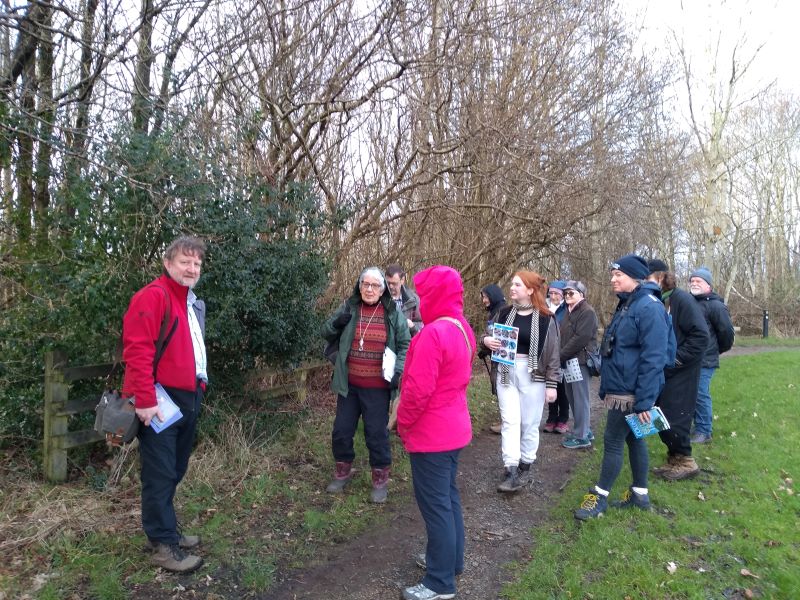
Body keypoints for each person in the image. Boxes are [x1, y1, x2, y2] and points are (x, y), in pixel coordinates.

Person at [122, 236, 208, 573]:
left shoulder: (189, 301)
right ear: (168, 263)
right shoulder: (153, 296)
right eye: (185, 262)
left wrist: (199, 383)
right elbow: (138, 350)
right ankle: (162, 544)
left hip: (187, 396)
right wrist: (144, 399)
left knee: (175, 469)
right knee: (159, 473)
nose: (191, 268)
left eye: (196, 264)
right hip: (159, 399)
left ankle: (166, 530)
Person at [574, 254, 674, 520]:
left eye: (618, 275)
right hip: (623, 387)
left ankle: (599, 498)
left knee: (613, 441)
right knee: (634, 438)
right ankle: (640, 495)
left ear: (634, 277)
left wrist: (644, 400)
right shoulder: (630, 304)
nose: (613, 279)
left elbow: (655, 358)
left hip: (631, 392)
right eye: (612, 274)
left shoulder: (649, 307)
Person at [398, 265, 476, 600]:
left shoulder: (431, 334)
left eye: (423, 293)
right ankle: (450, 560)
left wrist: (403, 424)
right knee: (448, 498)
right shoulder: (462, 327)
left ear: (434, 295)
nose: (419, 300)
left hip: (432, 433)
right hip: (455, 427)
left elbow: (417, 390)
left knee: (436, 506)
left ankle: (439, 582)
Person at [321, 267, 411, 503]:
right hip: (348, 385)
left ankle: (380, 478)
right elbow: (325, 331)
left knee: (376, 434)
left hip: (377, 388)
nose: (369, 289)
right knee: (341, 430)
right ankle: (343, 471)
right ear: (359, 286)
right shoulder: (349, 307)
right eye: (365, 284)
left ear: (382, 290)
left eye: (374, 286)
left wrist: (398, 371)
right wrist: (337, 324)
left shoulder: (392, 314)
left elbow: (405, 345)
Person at [481, 271, 560, 493]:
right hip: (506, 372)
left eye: (518, 285)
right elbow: (486, 335)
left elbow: (553, 353)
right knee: (510, 421)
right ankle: (511, 469)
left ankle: (526, 463)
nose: (512, 288)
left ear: (530, 290)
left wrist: (552, 385)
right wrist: (486, 340)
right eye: (513, 284)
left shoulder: (546, 318)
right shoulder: (503, 314)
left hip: (534, 374)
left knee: (529, 422)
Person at [646, 259, 709, 479]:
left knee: (676, 416)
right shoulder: (658, 300)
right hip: (665, 371)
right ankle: (674, 458)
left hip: (681, 371)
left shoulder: (682, 300)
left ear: (661, 277)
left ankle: (686, 461)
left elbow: (701, 336)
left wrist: (675, 359)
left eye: (649, 277)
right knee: (661, 414)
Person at [688, 266, 735, 444]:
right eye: (692, 281)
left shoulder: (716, 305)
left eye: (698, 281)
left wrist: (715, 351)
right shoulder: (690, 302)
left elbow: (726, 334)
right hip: (690, 359)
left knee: (700, 393)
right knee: (691, 393)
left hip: (705, 359)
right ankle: (698, 424)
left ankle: (704, 431)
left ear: (708, 285)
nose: (694, 284)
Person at [558, 280, 598, 449]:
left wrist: (560, 355)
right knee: (572, 397)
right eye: (565, 293)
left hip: (580, 360)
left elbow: (581, 338)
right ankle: (584, 429)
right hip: (569, 360)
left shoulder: (587, 311)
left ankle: (581, 436)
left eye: (571, 293)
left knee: (580, 398)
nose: (567, 296)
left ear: (581, 295)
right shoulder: (568, 310)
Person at [477, 284, 507, 434]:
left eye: (485, 296)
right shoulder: (495, 311)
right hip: (497, 358)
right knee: (498, 386)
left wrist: (485, 345)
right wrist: (485, 348)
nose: (483, 300)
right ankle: (504, 419)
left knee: (503, 387)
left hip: (504, 361)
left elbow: (499, 337)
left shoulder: (502, 312)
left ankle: (507, 423)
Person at [543, 281, 570, 434]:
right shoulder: (544, 308)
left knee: (563, 389)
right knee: (550, 385)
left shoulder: (566, 309)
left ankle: (563, 419)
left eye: (557, 294)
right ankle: (551, 418)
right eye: (551, 293)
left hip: (563, 352)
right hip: (548, 352)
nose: (553, 297)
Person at [385, 263, 424, 337]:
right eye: (388, 283)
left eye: (394, 283)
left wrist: (412, 325)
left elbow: (421, 324)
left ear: (402, 280)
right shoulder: (379, 298)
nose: (390, 286)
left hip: (406, 344)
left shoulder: (413, 300)